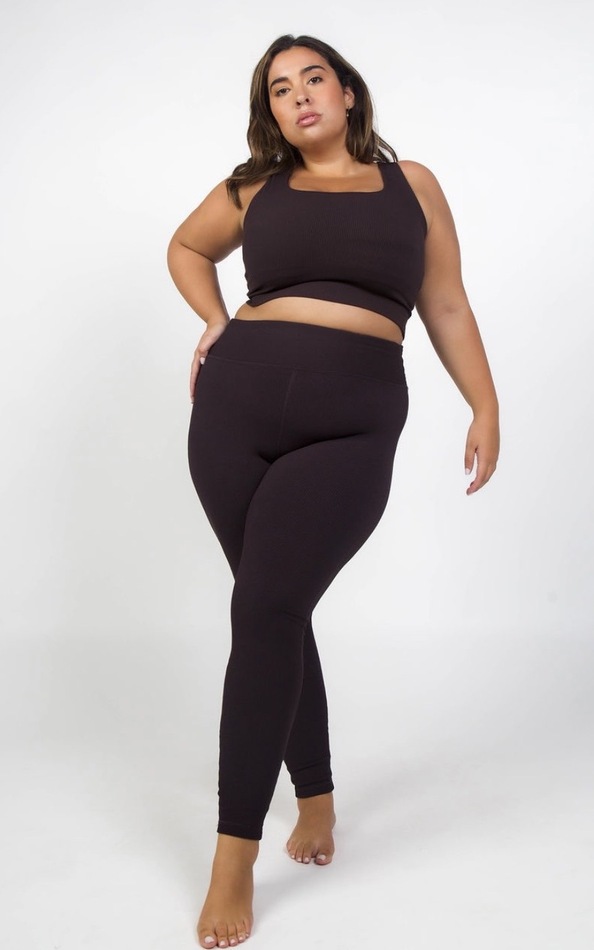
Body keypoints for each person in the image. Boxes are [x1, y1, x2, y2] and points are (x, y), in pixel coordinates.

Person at [166, 32, 500, 949]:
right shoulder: (254, 187)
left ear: (347, 92)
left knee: (267, 605)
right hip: (233, 413)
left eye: (314, 78)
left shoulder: (411, 184)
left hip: (352, 421)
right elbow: (187, 247)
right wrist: (215, 319)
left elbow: (446, 303)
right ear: (271, 113)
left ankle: (232, 858)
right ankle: (311, 799)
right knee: (271, 609)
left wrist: (484, 403)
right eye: (280, 89)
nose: (300, 95)